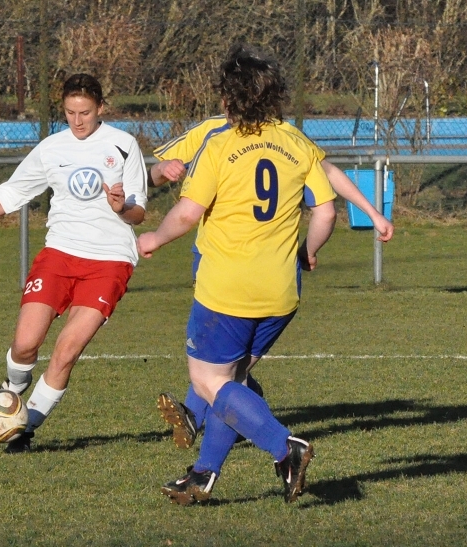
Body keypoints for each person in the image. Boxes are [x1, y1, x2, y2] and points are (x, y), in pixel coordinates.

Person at [137, 43, 338, 505]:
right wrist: (307, 252)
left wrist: (152, 239)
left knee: (209, 382)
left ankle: (285, 449)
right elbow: (325, 212)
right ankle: (202, 476)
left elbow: (187, 214)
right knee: (235, 381)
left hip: (226, 290)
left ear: (228, 99)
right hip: (282, 292)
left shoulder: (221, 145)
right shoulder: (297, 142)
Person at [149, 104, 394, 453]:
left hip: (226, 268)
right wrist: (162, 170)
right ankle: (204, 455)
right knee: (227, 365)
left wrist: (372, 212)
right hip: (266, 270)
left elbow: (326, 172)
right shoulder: (271, 136)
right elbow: (156, 172)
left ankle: (240, 427)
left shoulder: (274, 135)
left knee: (221, 369)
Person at [0, 73, 147, 453]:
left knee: (66, 351)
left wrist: (120, 207)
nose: (78, 121)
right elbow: (14, 192)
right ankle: (12, 393)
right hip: (59, 254)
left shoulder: (124, 145)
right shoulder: (51, 148)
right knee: (25, 345)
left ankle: (22, 431)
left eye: (86, 112)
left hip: (109, 260)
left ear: (100, 109)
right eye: (70, 112)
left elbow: (139, 213)